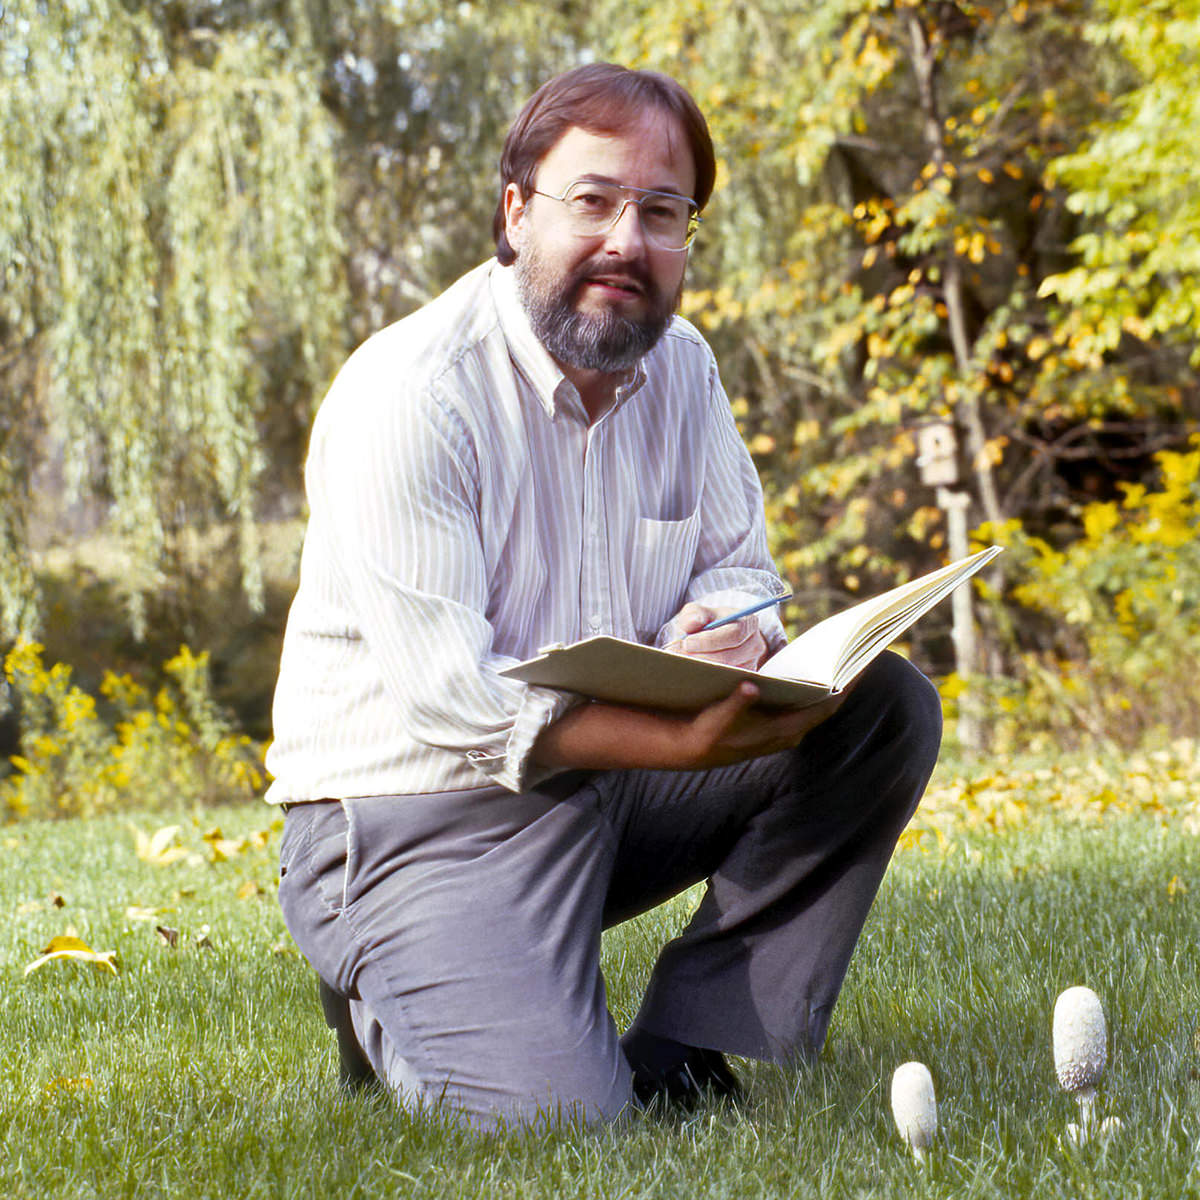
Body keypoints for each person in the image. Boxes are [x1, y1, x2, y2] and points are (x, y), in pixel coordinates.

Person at [267, 62, 941, 1132]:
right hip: (417, 815)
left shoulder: (684, 369)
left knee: (880, 708)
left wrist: (724, 628)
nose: (627, 240)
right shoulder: (410, 395)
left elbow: (740, 569)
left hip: (604, 783)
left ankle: (684, 1048)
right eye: (593, 200)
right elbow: (449, 700)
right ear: (516, 211)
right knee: (557, 1125)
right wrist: (677, 744)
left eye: (661, 211)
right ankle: (386, 973)